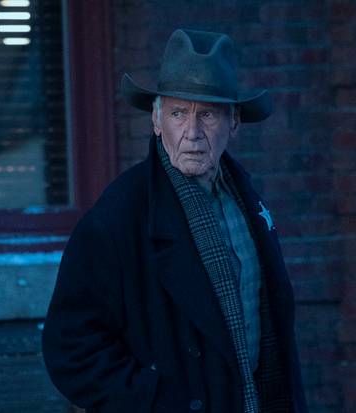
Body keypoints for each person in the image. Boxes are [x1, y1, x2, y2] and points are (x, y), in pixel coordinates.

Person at [42, 28, 308, 413]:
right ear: (156, 120)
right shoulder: (119, 216)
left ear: (234, 122)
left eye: (209, 115)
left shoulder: (248, 202)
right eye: (178, 113)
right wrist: (156, 399)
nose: (192, 133)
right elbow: (70, 350)